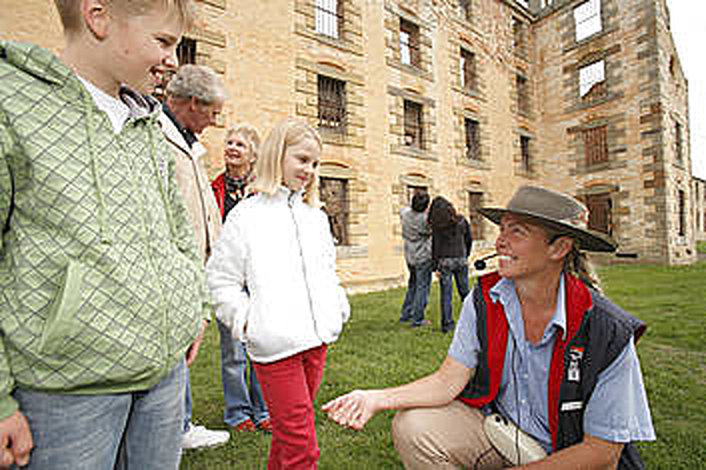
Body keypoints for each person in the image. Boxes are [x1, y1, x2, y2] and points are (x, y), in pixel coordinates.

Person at [0, 1, 212, 469]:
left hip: (164, 380)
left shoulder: (149, 121)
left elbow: (178, 227)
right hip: (66, 395)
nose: (174, 60)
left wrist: (194, 303)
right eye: (163, 41)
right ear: (98, 17)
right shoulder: (13, 105)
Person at [323, 185, 655, 470]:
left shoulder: (607, 330)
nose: (500, 242)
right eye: (502, 229)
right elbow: (448, 380)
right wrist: (375, 398)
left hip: (571, 454)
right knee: (413, 425)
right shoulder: (484, 298)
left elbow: (602, 451)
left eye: (517, 232)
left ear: (559, 248)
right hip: (503, 435)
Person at [206, 118, 350, 469]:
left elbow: (326, 272)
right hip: (275, 349)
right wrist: (247, 322)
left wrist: (337, 306)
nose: (310, 170)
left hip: (317, 343)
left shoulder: (315, 217)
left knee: (287, 440)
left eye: (315, 163)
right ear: (277, 155)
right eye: (302, 160)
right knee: (303, 449)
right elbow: (220, 280)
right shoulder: (246, 216)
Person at [158, 64, 230, 449]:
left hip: (194, 267)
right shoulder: (158, 134)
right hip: (174, 267)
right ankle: (176, 426)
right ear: (189, 103)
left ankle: (180, 423)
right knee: (175, 349)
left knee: (184, 347)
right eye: (212, 113)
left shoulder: (186, 140)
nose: (215, 122)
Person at [210, 124, 271, 433]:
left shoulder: (264, 190)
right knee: (233, 351)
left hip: (259, 277)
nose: (232, 148)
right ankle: (237, 413)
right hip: (231, 279)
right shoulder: (214, 188)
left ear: (253, 154)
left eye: (240, 145)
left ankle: (263, 410)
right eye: (229, 143)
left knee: (260, 344)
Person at [428, 196, 472, 333]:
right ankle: (474, 320)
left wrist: (434, 267)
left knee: (446, 295)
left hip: (445, 261)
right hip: (460, 258)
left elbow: (435, 247)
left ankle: (447, 325)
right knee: (465, 292)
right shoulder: (462, 221)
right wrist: (466, 255)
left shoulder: (438, 226)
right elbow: (469, 239)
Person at [399, 191, 433, 328]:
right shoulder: (424, 221)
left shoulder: (405, 214)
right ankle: (418, 319)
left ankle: (406, 314)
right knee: (422, 288)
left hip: (409, 255)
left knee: (413, 285)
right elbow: (431, 230)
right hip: (422, 256)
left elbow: (404, 209)